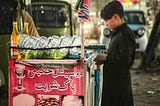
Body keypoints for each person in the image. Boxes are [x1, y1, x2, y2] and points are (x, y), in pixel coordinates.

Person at [94, 0, 136, 106]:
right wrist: (106, 56)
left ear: (115, 17)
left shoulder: (125, 34)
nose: (106, 23)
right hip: (113, 86)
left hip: (119, 90)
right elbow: (117, 54)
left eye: (107, 20)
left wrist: (106, 57)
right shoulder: (117, 32)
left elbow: (125, 61)